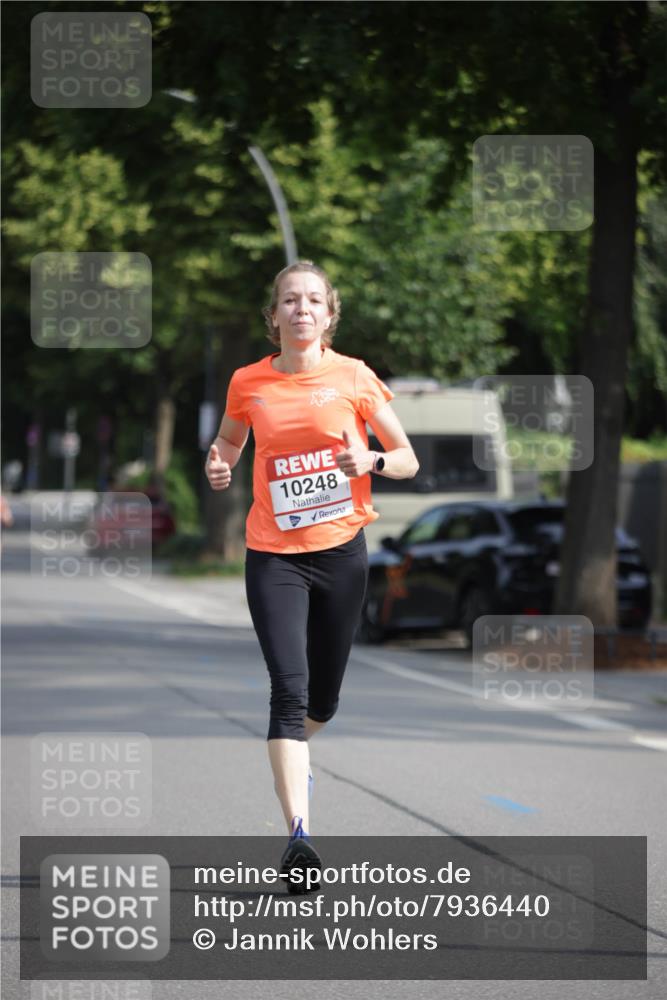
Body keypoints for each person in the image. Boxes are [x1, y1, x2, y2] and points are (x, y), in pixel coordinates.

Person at [205, 261, 418, 889]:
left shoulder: (354, 377)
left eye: (313, 300)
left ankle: (295, 758)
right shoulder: (248, 381)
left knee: (322, 699)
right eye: (290, 301)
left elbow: (408, 459)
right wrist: (218, 464)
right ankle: (299, 835)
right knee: (289, 692)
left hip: (341, 553)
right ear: (273, 317)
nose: (302, 309)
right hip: (272, 553)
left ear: (330, 314)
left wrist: (372, 457)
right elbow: (228, 443)